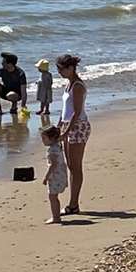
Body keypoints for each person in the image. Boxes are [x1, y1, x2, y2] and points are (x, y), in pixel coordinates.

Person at [54, 53, 89, 214]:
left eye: (61, 69)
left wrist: (66, 132)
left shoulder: (78, 86)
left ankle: (74, 204)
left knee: (76, 167)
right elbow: (65, 112)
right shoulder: (68, 85)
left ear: (70, 68)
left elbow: (76, 112)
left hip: (78, 127)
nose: (59, 72)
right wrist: (59, 126)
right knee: (70, 165)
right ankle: (73, 202)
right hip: (68, 125)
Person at [41, 124, 66, 224]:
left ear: (51, 139)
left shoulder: (52, 150)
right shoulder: (57, 145)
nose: (42, 141)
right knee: (54, 196)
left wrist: (46, 177)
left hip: (55, 176)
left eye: (44, 138)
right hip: (61, 174)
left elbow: (53, 165)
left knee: (52, 197)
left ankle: (56, 217)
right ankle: (56, 215)